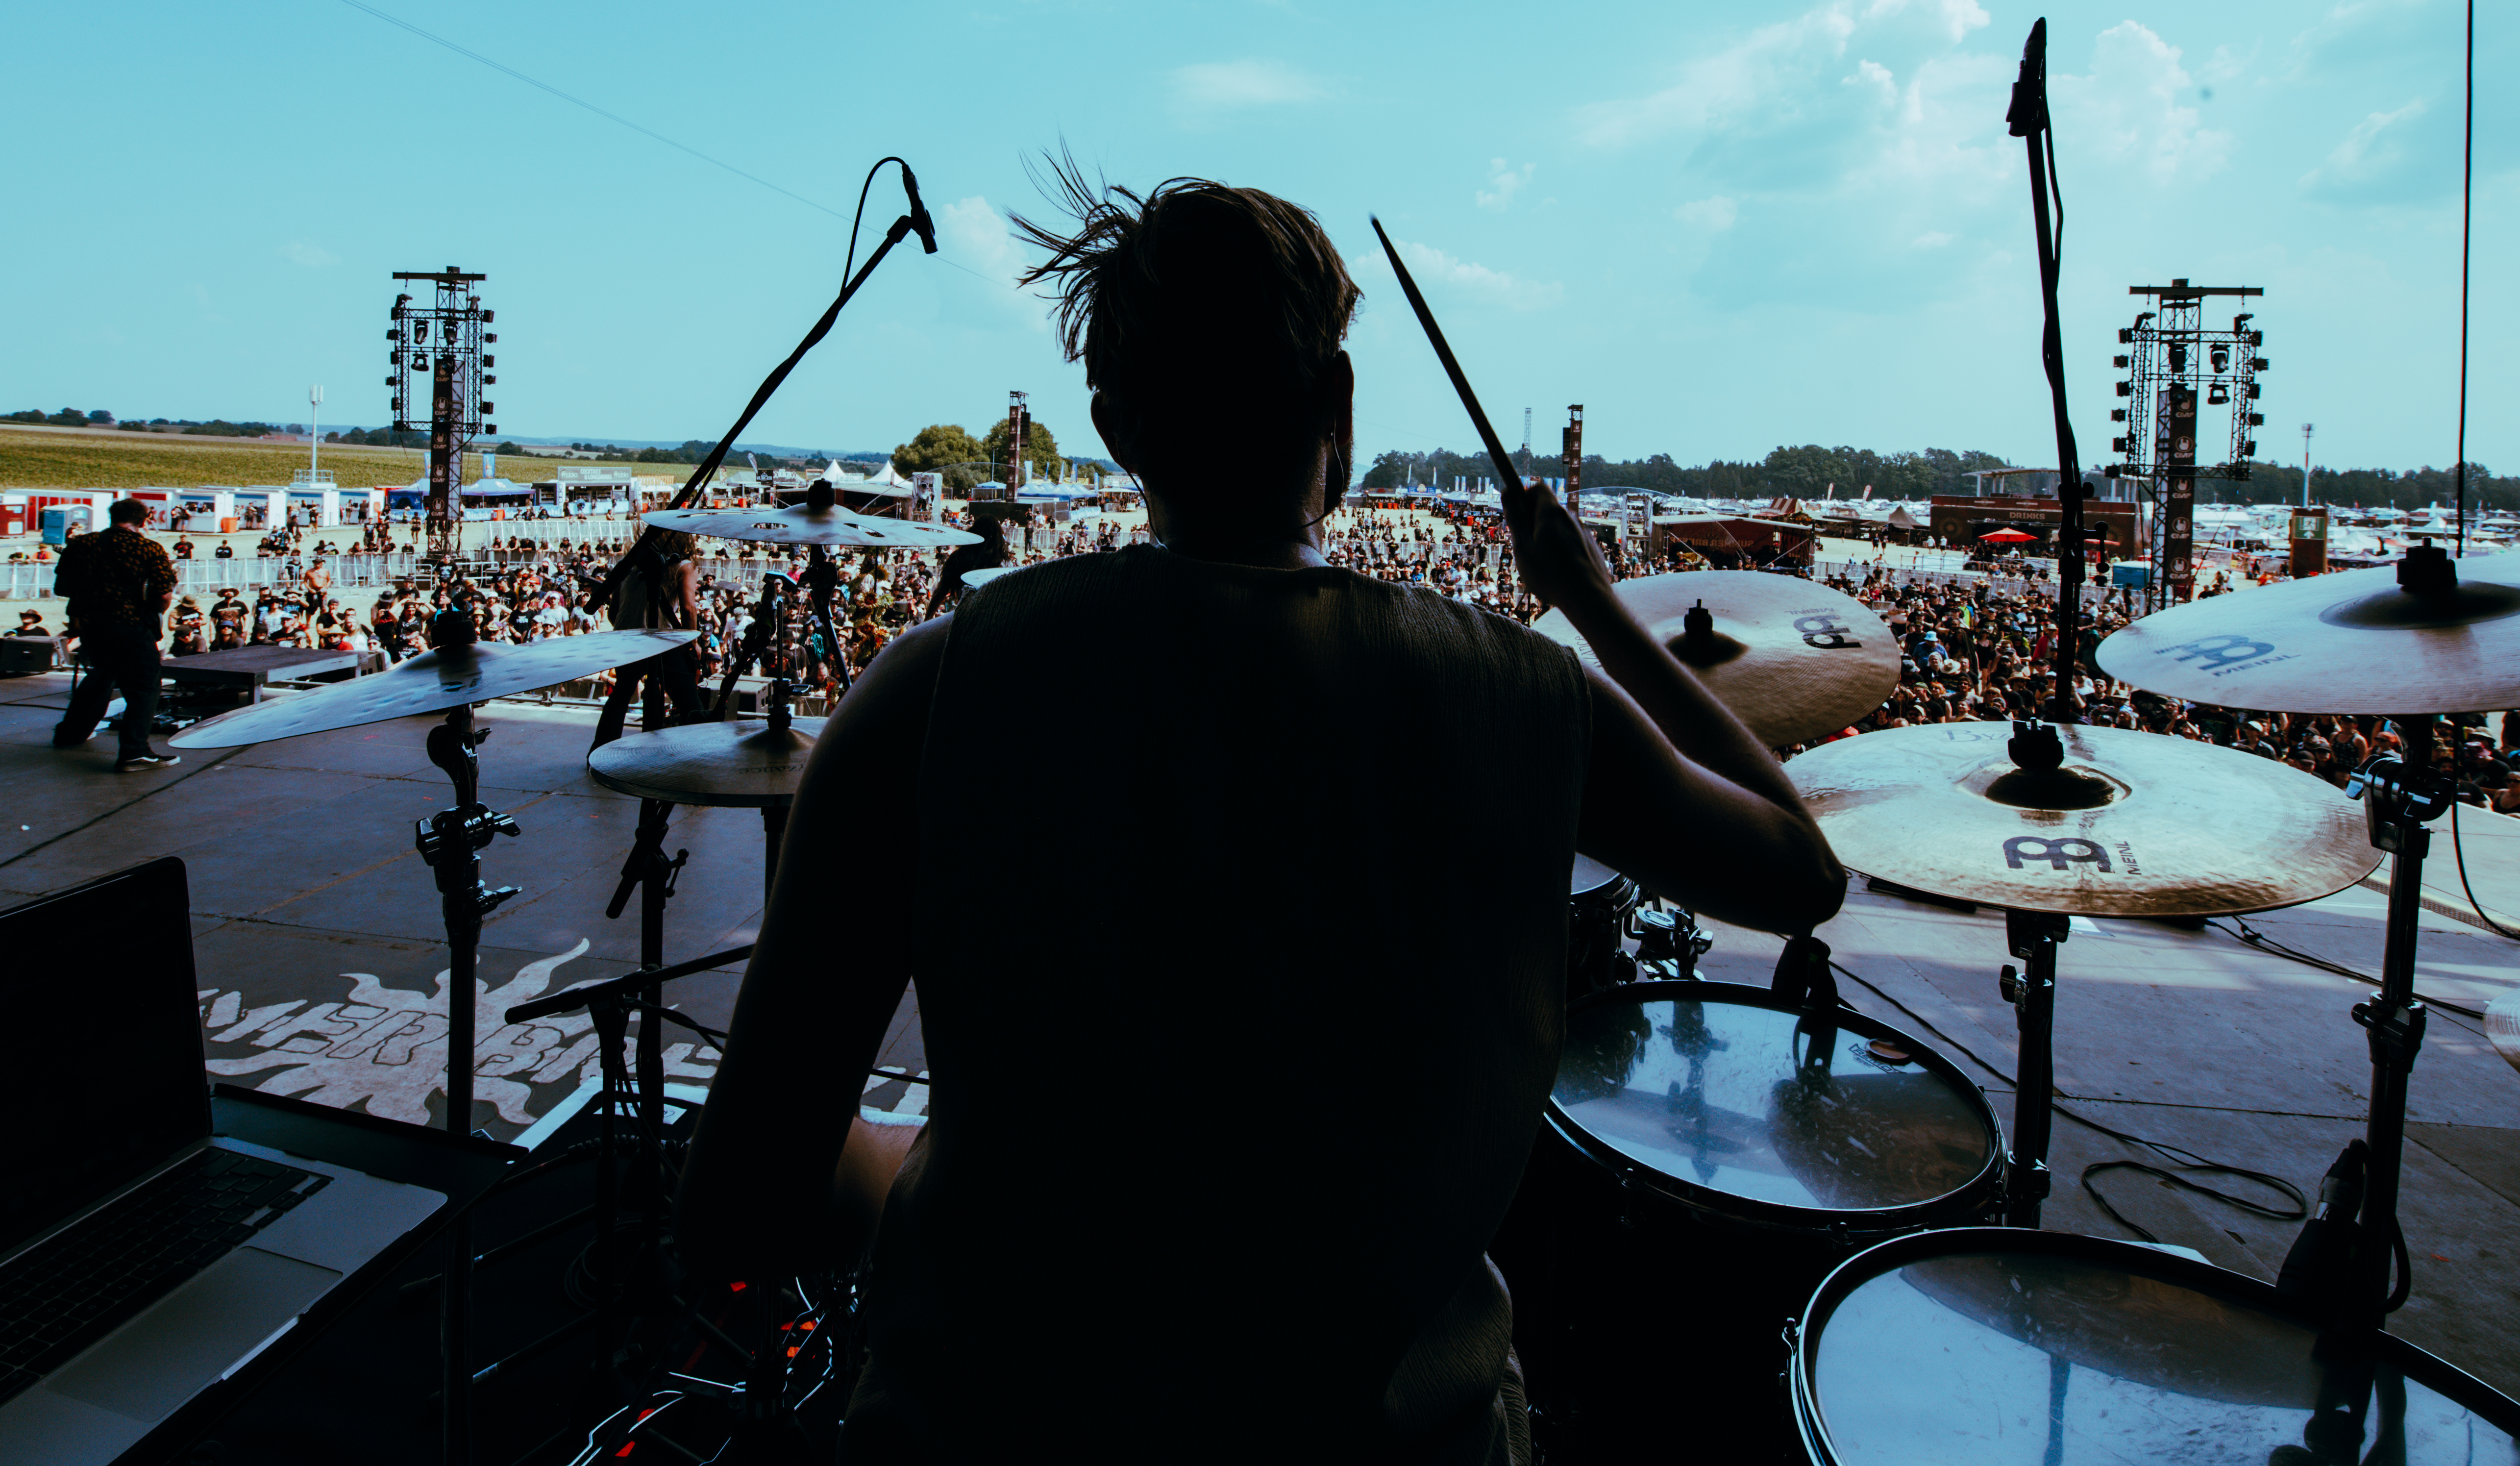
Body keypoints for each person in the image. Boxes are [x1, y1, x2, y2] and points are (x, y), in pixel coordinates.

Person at [676, 172, 1843, 1463]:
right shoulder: (1525, 696)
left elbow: (748, 1195)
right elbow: (1799, 872)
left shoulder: (933, 691)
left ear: (1116, 427)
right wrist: (1592, 605)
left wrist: (942, 1178)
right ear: (1337, 403)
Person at [51, 498, 181, 770]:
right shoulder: (149, 548)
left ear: (112, 517)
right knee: (145, 687)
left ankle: (69, 735)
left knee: (101, 677)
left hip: (93, 627)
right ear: (143, 521)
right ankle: (134, 752)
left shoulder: (82, 544)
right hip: (131, 627)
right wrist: (151, 609)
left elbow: (62, 588)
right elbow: (162, 595)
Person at [592, 527, 704, 747]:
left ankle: (598, 752)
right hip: (662, 641)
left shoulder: (631, 565)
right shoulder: (684, 566)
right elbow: (689, 609)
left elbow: (614, 613)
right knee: (689, 703)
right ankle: (703, 752)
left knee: (620, 698)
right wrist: (693, 644)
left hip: (627, 639)